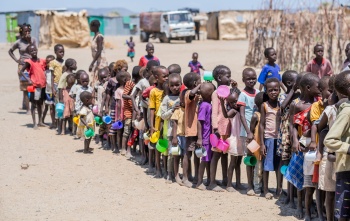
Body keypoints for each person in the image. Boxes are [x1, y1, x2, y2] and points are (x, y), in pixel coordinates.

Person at [290, 73, 320, 220]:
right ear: (308, 88)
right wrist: (295, 141)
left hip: (314, 145)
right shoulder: (297, 105)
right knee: (302, 177)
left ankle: (311, 205)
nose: (320, 89)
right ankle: (300, 206)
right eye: (317, 87)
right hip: (302, 144)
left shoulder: (319, 103)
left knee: (311, 177)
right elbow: (292, 125)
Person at [324, 70, 350, 221]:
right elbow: (330, 139)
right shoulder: (347, 111)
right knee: (343, 213)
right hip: (346, 169)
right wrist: (347, 148)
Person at [208, 65, 237, 192]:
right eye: (228, 76)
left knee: (225, 155)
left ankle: (226, 179)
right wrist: (215, 129)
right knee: (216, 155)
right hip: (220, 129)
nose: (230, 78)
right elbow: (214, 112)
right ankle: (212, 182)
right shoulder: (216, 93)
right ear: (219, 78)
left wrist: (235, 88)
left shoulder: (230, 91)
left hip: (229, 128)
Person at [276, 70, 299, 205]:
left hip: (295, 133)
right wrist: (291, 92)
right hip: (286, 134)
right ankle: (283, 190)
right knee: (286, 162)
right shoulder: (283, 96)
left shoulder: (300, 97)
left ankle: (294, 192)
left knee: (294, 162)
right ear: (290, 83)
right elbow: (282, 106)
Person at [237, 68, 260, 194]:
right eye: (248, 79)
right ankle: (250, 186)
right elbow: (241, 115)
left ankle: (257, 184)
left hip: (257, 131)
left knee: (257, 158)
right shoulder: (243, 95)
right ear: (243, 80)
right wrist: (248, 132)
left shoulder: (258, 92)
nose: (251, 81)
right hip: (248, 133)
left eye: (254, 78)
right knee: (249, 158)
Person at [259, 77, 281, 200]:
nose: (273, 92)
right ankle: (266, 189)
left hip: (279, 139)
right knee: (266, 165)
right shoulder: (264, 106)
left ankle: (279, 189)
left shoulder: (281, 104)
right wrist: (262, 143)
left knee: (279, 166)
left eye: (276, 90)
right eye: (270, 90)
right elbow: (261, 124)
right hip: (268, 138)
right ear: (266, 92)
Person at [8, 23, 38, 113]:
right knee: (25, 87)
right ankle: (28, 109)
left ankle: (33, 106)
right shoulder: (19, 42)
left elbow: (35, 51)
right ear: (22, 32)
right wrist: (17, 60)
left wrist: (29, 42)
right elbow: (10, 51)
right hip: (23, 66)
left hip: (32, 65)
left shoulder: (33, 40)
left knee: (34, 86)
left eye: (29, 31)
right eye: (25, 31)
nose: (27, 32)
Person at [220, 87, 243, 193]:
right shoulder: (233, 111)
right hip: (235, 139)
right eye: (231, 102)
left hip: (242, 139)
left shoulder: (243, 109)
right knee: (233, 162)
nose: (234, 103)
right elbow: (225, 115)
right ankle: (229, 184)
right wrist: (222, 102)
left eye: (236, 101)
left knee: (239, 163)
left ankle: (238, 183)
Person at [160, 73, 181, 183]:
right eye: (172, 85)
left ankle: (178, 174)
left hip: (182, 131)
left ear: (181, 84)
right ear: (168, 85)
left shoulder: (183, 97)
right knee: (171, 154)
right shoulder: (166, 99)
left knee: (180, 154)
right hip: (170, 131)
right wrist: (172, 109)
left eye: (177, 85)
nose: (175, 87)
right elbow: (163, 115)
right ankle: (169, 174)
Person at [19, 44, 46, 129]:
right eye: (31, 51)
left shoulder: (41, 61)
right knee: (34, 104)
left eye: (34, 50)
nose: (34, 52)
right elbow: (21, 71)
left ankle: (40, 121)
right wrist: (28, 79)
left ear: (37, 50)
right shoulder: (29, 62)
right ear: (29, 53)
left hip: (42, 86)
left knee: (40, 104)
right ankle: (34, 123)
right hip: (35, 86)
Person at [182, 72, 201, 187]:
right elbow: (191, 94)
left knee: (197, 154)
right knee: (187, 154)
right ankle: (185, 177)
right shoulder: (188, 93)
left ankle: (196, 176)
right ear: (195, 83)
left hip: (198, 130)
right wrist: (199, 86)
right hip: (191, 129)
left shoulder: (198, 95)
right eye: (199, 81)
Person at [149, 66, 169, 178]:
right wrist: (151, 126)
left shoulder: (169, 89)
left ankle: (166, 169)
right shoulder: (154, 91)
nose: (167, 78)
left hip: (166, 123)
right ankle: (158, 168)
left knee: (165, 145)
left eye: (168, 75)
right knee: (158, 146)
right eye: (164, 76)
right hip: (157, 123)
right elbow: (151, 109)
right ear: (157, 77)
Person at [105, 60, 128, 152]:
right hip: (114, 106)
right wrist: (106, 106)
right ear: (118, 69)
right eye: (124, 69)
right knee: (113, 127)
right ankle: (114, 146)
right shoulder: (112, 81)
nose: (126, 71)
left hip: (124, 107)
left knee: (121, 128)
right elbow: (107, 94)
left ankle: (121, 146)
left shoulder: (126, 81)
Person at [195, 82, 215, 190]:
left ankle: (208, 179)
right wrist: (200, 138)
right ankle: (199, 182)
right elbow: (199, 122)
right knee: (204, 160)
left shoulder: (208, 104)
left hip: (208, 138)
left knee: (208, 160)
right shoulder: (204, 106)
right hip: (205, 138)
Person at [247, 92, 265, 196]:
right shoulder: (256, 116)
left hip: (263, 145)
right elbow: (251, 132)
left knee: (261, 168)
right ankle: (256, 188)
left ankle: (260, 186)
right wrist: (250, 148)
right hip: (255, 144)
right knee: (257, 167)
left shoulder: (267, 115)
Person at [171, 89, 187, 185]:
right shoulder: (178, 110)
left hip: (187, 136)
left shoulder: (191, 110)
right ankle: (176, 175)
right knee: (176, 156)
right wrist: (174, 137)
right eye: (181, 99)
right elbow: (175, 124)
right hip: (179, 136)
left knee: (185, 156)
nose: (182, 101)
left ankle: (185, 175)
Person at [114, 71, 130, 154]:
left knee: (126, 130)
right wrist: (120, 115)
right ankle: (119, 146)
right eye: (129, 79)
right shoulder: (118, 90)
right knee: (119, 130)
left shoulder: (128, 89)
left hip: (127, 112)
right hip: (120, 113)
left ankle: (125, 146)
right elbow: (119, 104)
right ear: (124, 80)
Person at [89, 20, 108, 87]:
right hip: (97, 61)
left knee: (99, 79)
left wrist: (92, 63)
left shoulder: (99, 37)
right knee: (95, 78)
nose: (90, 28)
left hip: (100, 61)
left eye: (91, 26)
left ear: (95, 27)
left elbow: (99, 50)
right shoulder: (95, 36)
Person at [121, 73, 135, 158]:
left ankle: (129, 149)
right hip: (129, 112)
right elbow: (124, 95)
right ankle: (124, 149)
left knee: (132, 132)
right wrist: (132, 97)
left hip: (133, 112)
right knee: (127, 132)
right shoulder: (129, 83)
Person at [42, 55, 55, 126]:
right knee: (48, 107)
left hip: (55, 91)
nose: (48, 64)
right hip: (48, 92)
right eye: (47, 62)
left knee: (54, 107)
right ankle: (42, 120)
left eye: (50, 62)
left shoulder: (55, 71)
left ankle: (54, 122)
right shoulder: (45, 72)